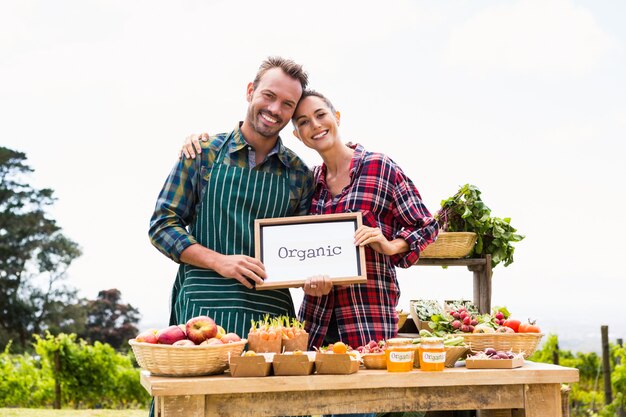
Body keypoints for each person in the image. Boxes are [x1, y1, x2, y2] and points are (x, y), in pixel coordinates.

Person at [181, 90, 438, 417]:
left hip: (366, 322)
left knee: (358, 411)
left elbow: (425, 225)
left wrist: (389, 244)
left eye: (320, 115)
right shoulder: (309, 181)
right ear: (298, 135)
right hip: (316, 323)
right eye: (303, 122)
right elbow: (297, 253)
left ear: (337, 117)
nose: (315, 125)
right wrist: (307, 282)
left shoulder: (379, 167)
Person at [149, 57, 315, 339]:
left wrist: (314, 277)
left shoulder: (299, 174)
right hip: (202, 312)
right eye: (269, 96)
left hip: (271, 319)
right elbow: (162, 227)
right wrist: (219, 261)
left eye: (287, 104)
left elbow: (303, 254)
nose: (275, 109)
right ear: (251, 91)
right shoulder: (203, 154)